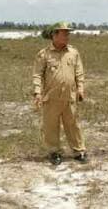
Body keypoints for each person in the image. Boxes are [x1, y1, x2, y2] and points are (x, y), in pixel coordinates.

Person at [32, 22, 87, 165]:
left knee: (73, 125)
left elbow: (79, 73)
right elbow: (37, 75)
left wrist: (80, 88)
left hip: (70, 96)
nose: (67, 36)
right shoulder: (44, 54)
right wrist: (37, 92)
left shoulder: (73, 52)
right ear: (54, 35)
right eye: (64, 33)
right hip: (51, 98)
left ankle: (79, 151)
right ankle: (54, 152)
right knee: (51, 126)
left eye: (68, 33)